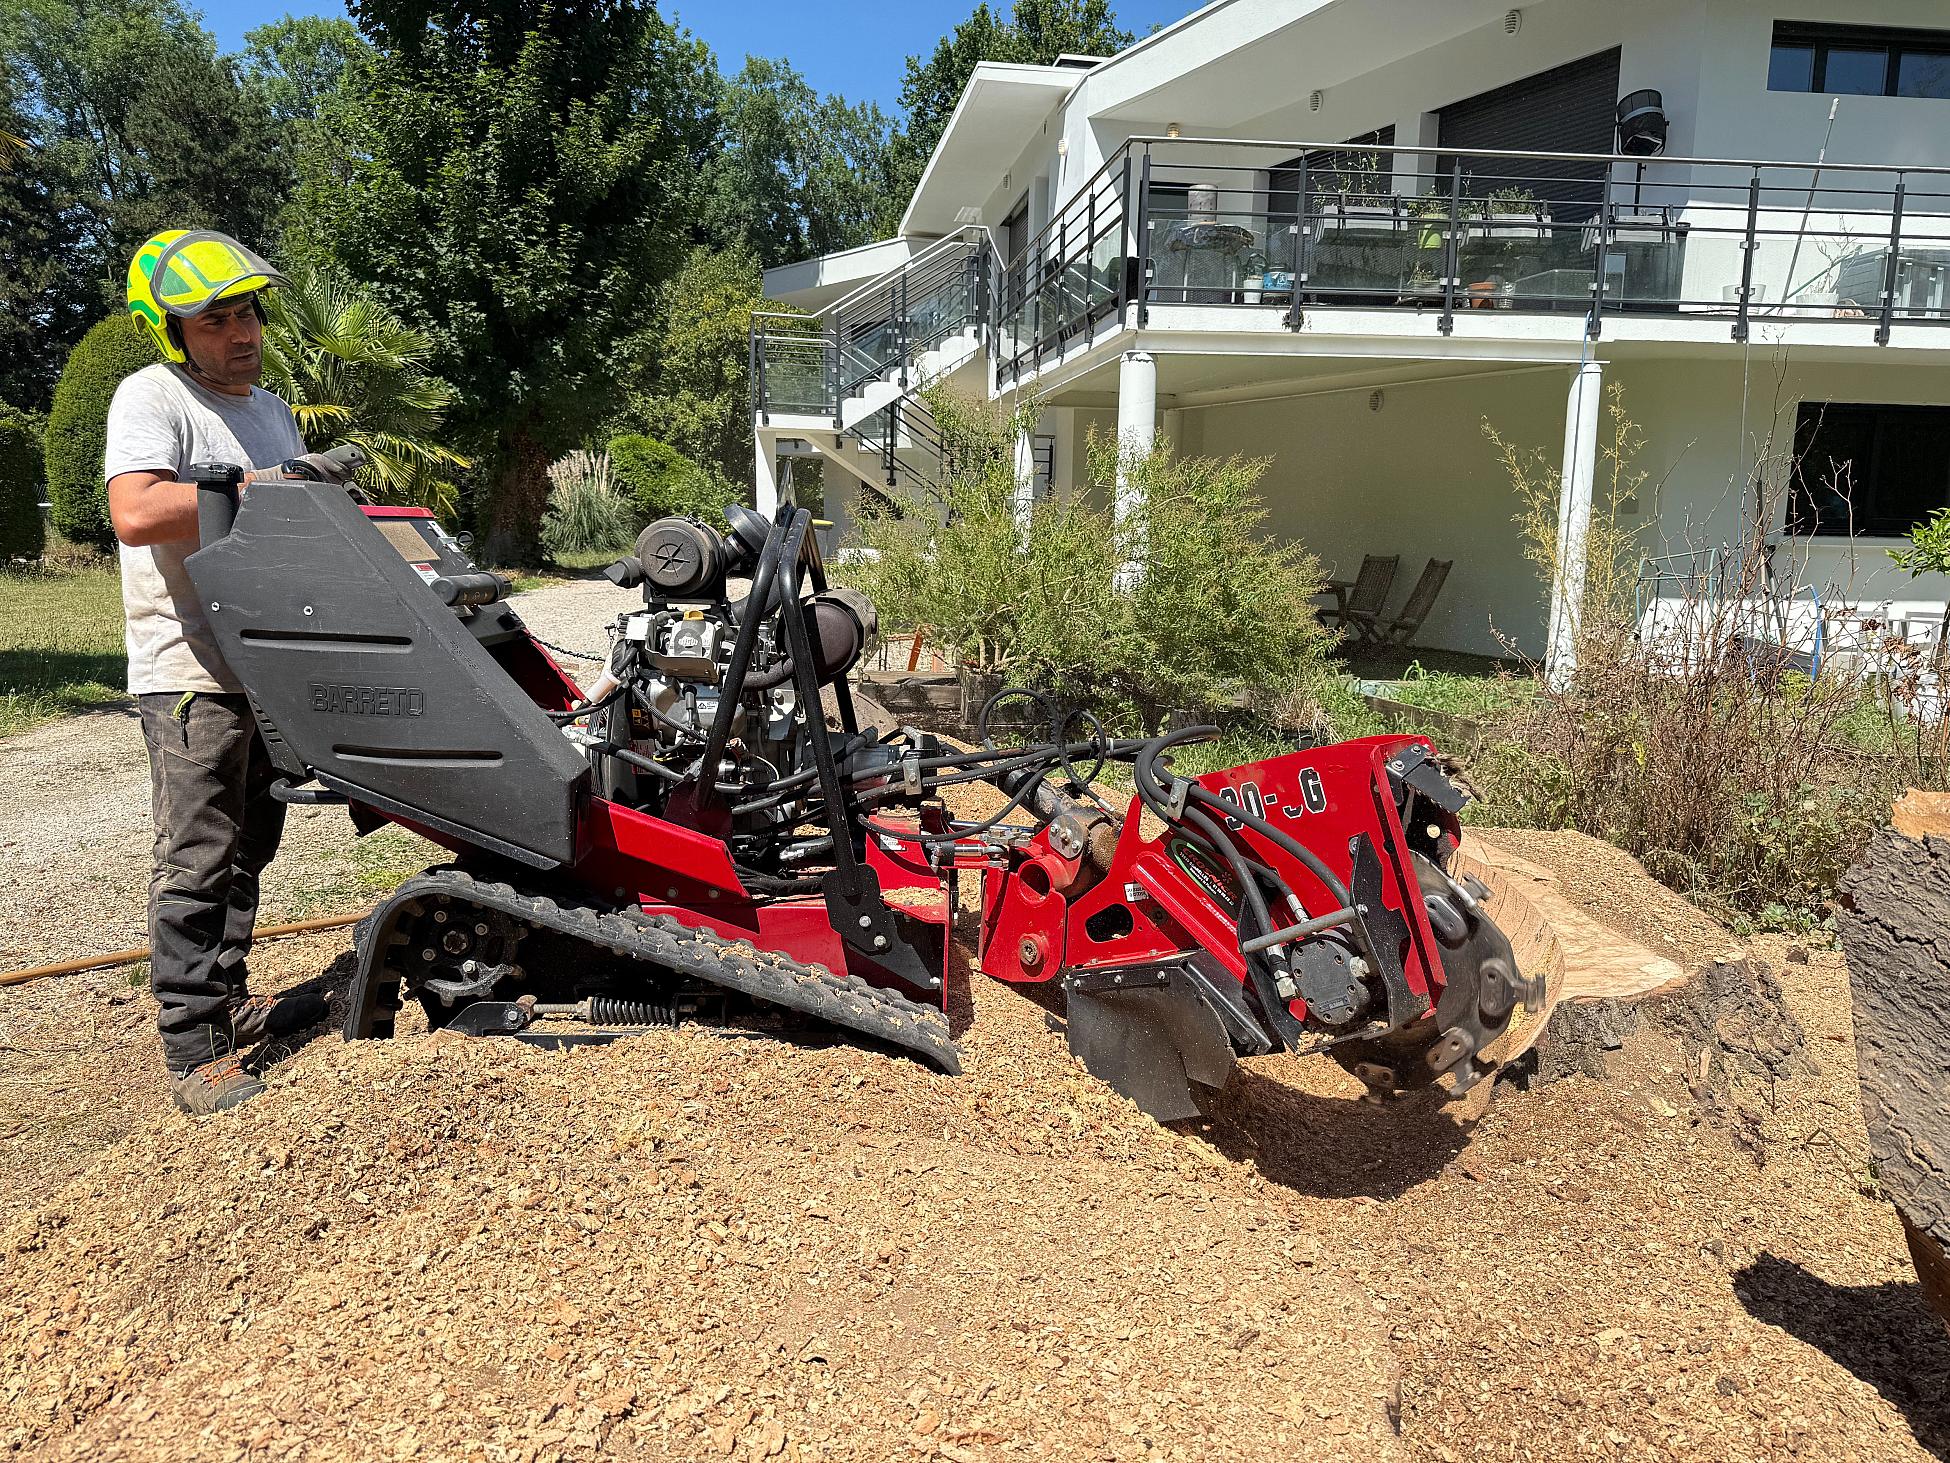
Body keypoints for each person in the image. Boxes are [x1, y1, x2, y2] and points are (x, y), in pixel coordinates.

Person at [105, 229, 328, 1114]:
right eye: (214, 321)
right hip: (187, 664)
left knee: (250, 847)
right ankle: (194, 1046)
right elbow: (134, 513)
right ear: (171, 330)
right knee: (197, 853)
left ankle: (231, 1000)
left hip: (262, 659)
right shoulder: (150, 397)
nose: (240, 334)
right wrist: (262, 482)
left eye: (247, 315)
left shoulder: (270, 408)